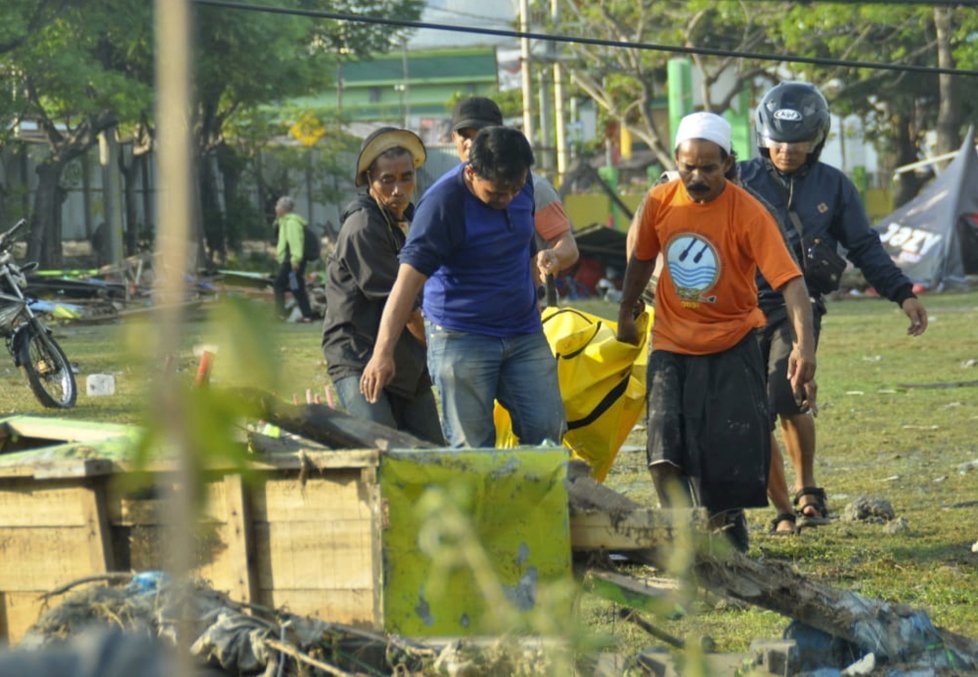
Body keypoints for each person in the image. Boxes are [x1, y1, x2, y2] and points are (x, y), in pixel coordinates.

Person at [616, 112, 816, 552]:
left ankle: (730, 544)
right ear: (677, 160)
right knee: (663, 451)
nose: (698, 176)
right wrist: (625, 311)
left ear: (728, 163)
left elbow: (791, 281)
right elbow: (640, 261)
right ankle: (682, 541)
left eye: (709, 167)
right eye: (689, 166)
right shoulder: (660, 202)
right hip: (671, 342)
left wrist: (805, 346)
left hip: (732, 343)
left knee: (726, 458)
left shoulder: (748, 212)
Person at [739, 82, 928, 533]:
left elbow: (864, 246)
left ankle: (808, 489)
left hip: (796, 307)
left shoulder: (834, 186)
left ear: (816, 140)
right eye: (778, 142)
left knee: (786, 395)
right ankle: (783, 509)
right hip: (740, 308)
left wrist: (903, 294)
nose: (786, 152)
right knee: (752, 410)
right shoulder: (738, 178)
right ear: (764, 137)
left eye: (798, 143)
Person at [360, 126, 566, 449]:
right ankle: (480, 501)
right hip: (461, 337)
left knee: (547, 430)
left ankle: (536, 499)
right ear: (471, 171)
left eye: (516, 188)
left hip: (523, 332)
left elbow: (520, 245)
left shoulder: (521, 186)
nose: (508, 198)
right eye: (497, 194)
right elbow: (406, 282)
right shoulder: (443, 205)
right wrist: (382, 353)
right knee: (472, 448)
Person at [321, 128, 444, 444]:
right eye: (387, 180)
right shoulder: (362, 225)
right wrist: (444, 352)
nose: (398, 189)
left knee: (435, 456)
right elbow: (405, 306)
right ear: (368, 181)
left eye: (407, 177)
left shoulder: (413, 220)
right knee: (386, 453)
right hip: (360, 356)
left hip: (407, 360)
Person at [449, 97, 579, 283]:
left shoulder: (534, 188)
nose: (472, 144)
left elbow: (568, 244)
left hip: (529, 304)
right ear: (453, 138)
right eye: (466, 136)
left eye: (480, 135)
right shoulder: (446, 195)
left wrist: (554, 256)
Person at [272, 196, 315, 322]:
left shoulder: (291, 223)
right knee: (296, 287)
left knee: (278, 285)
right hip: (291, 260)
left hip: (292, 261)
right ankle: (307, 315)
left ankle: (279, 315)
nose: (276, 208)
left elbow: (295, 242)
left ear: (283, 209)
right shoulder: (284, 221)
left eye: (277, 206)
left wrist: (295, 259)